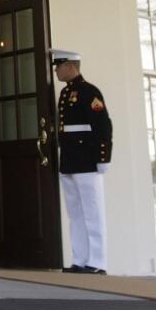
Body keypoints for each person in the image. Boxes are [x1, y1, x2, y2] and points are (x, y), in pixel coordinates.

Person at [52, 49, 112, 275]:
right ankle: (80, 259)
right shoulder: (66, 93)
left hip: (87, 158)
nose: (56, 71)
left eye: (59, 66)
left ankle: (97, 261)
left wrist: (103, 157)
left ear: (70, 66)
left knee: (92, 211)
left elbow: (103, 125)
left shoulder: (89, 91)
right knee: (75, 212)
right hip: (69, 157)